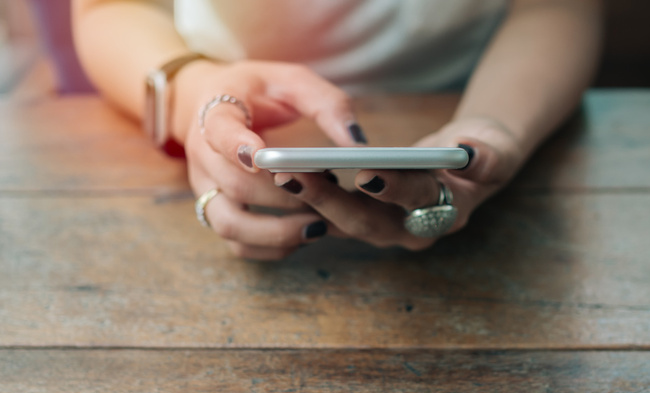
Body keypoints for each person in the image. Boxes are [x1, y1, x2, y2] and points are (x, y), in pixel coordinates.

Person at [72, 0, 602, 260]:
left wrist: (499, 125)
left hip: (480, 87)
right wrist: (196, 94)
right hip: (245, 102)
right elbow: (111, 8)